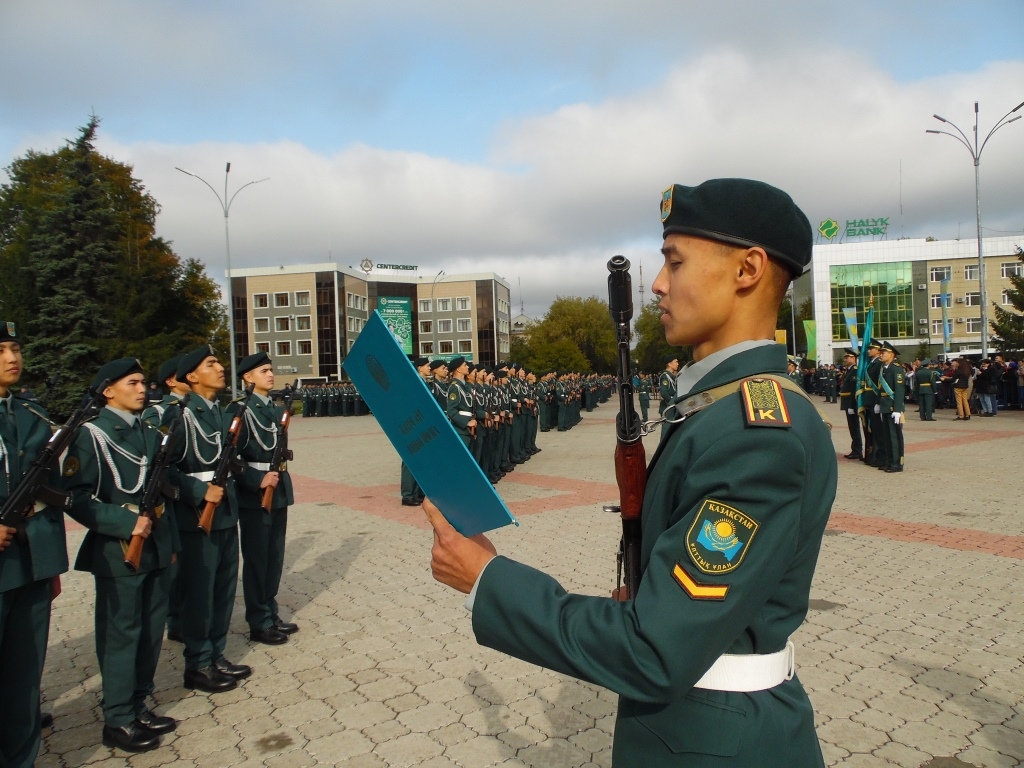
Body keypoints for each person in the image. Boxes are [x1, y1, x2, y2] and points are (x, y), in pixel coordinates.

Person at [425, 178, 837, 767]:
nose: (661, 285)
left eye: (674, 261)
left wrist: (487, 580)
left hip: (716, 743)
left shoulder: (754, 433)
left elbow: (654, 651)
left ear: (747, 270)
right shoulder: (724, 407)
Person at [62, 359, 178, 753]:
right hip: (118, 550)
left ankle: (138, 703)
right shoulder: (92, 435)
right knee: (121, 635)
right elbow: (75, 497)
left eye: (144, 381)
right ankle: (118, 719)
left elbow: (162, 491)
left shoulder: (147, 431)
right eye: (133, 382)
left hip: (156, 545)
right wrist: (122, 523)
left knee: (149, 632)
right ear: (108, 390)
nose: (143, 388)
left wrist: (171, 544)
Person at [0, 322, 69, 768]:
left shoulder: (31, 412)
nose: (12, 358)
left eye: (15, 348)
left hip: (32, 559)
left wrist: (53, 563)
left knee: (25, 672)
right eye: (2, 351)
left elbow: (52, 490)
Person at [170, 346, 248, 692]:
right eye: (210, 364)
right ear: (191, 375)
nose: (220, 368)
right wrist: (198, 493)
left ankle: (216, 654)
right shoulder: (178, 415)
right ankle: (198, 663)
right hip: (197, 515)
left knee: (223, 587)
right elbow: (162, 470)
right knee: (200, 592)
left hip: (226, 512)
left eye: (218, 362)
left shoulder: (221, 413)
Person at [234, 352, 297, 645]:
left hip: (278, 488)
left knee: (274, 557)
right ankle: (258, 621)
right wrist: (255, 480)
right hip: (256, 493)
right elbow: (229, 456)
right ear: (247, 377)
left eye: (271, 370)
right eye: (263, 371)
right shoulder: (239, 410)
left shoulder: (273, 408)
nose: (270, 375)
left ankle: (270, 613)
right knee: (258, 559)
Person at [875, 342, 905, 473]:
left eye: (884, 352)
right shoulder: (884, 368)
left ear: (891, 354)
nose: (881, 354)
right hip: (885, 406)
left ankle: (897, 463)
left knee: (894, 437)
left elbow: (899, 390)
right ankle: (889, 461)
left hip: (893, 407)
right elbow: (880, 388)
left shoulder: (896, 369)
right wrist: (878, 403)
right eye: (881, 352)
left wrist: (897, 409)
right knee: (886, 436)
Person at [838, 349, 862, 459]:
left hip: (851, 403)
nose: (845, 359)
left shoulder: (855, 370)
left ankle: (857, 450)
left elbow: (853, 389)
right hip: (847, 402)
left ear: (853, 358)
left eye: (847, 357)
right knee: (852, 427)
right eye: (845, 357)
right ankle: (855, 448)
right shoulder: (849, 370)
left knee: (854, 427)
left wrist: (852, 405)